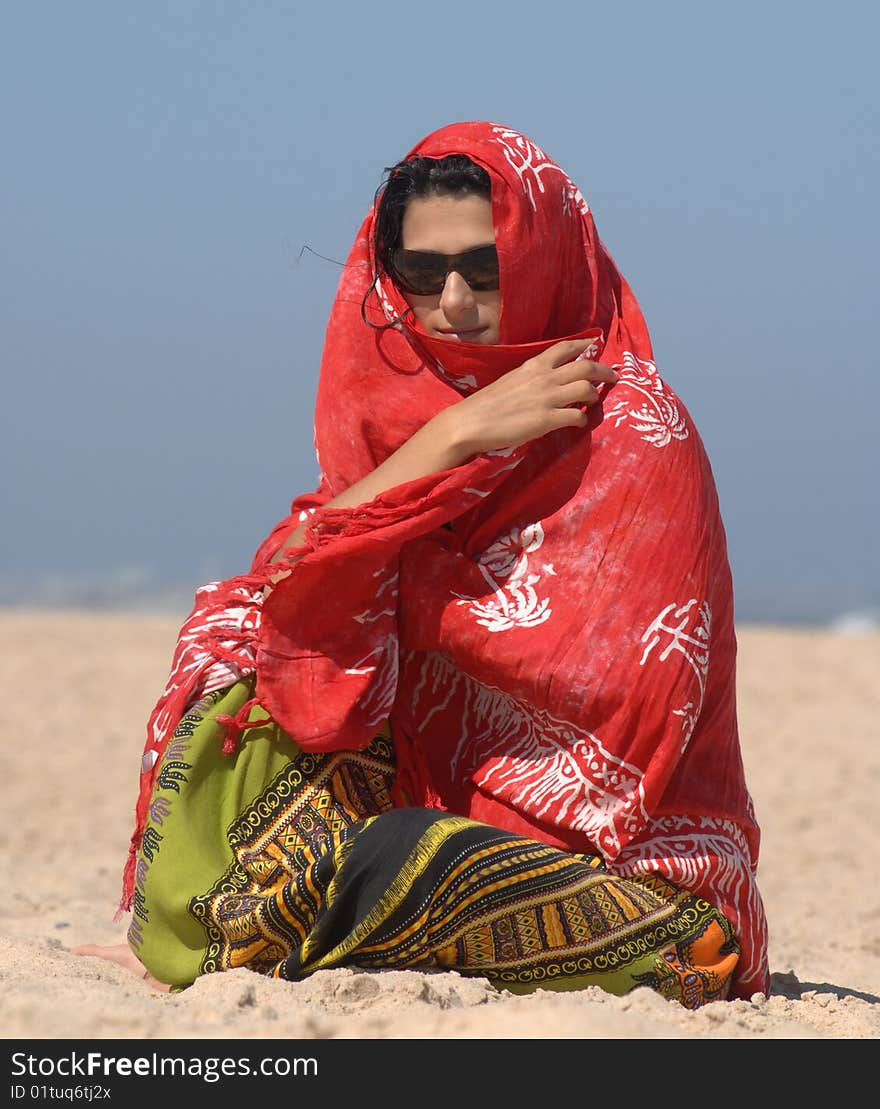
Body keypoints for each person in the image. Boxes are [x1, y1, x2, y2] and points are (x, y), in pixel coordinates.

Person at [76, 121, 770, 1006]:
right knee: (240, 633)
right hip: (433, 811)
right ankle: (226, 916)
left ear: (546, 255)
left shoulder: (632, 433)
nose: (452, 300)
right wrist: (450, 438)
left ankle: (249, 923)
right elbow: (294, 579)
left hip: (634, 886)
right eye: (419, 272)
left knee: (407, 862)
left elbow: (614, 717)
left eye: (486, 268)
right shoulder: (418, 416)